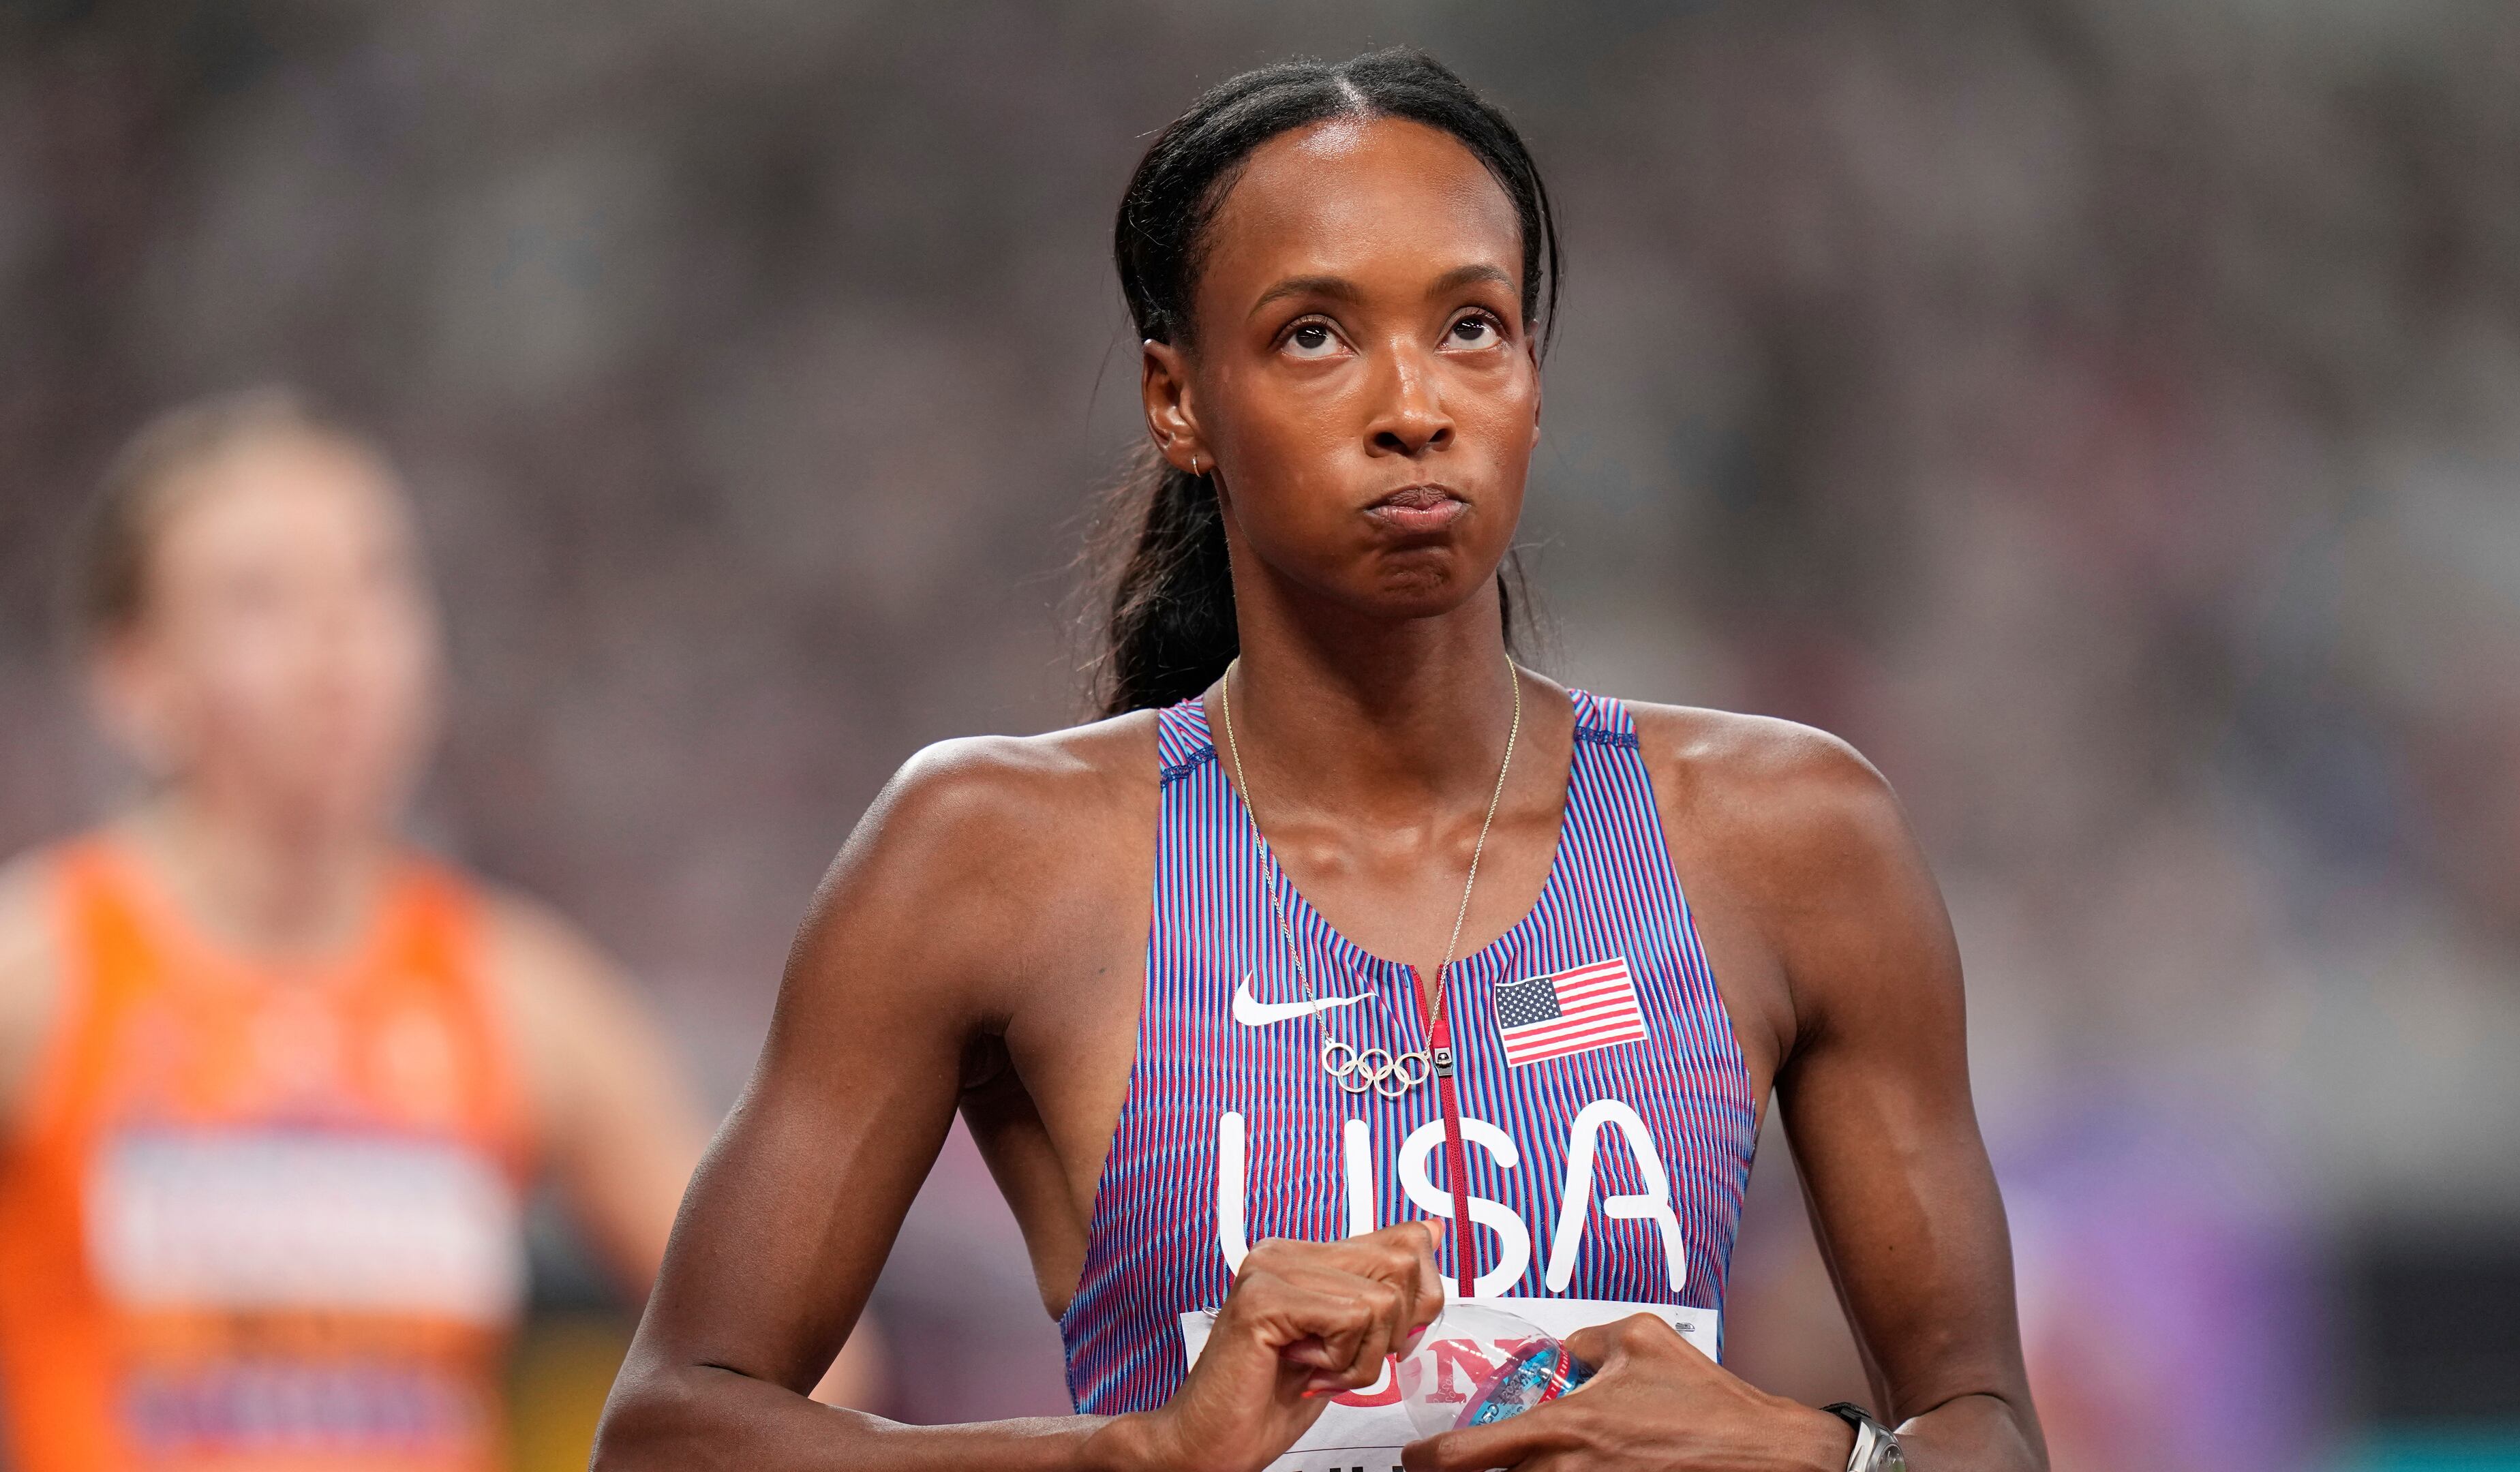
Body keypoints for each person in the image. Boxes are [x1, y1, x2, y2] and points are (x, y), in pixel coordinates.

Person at [598, 48, 2044, 1472]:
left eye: (1471, 326)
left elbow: (1987, 1430)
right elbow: (671, 1433)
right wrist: (1137, 1457)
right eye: (1314, 336)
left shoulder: (1790, 836)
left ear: (1534, 377)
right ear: (1178, 401)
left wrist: (1816, 1457)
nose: (1414, 405)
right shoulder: (991, 851)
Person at [0, 390, 876, 1472]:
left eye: (374, 584)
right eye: (260, 597)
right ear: (134, 678)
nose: (336, 643)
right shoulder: (38, 976)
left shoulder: (520, 994)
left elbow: (814, 1362)